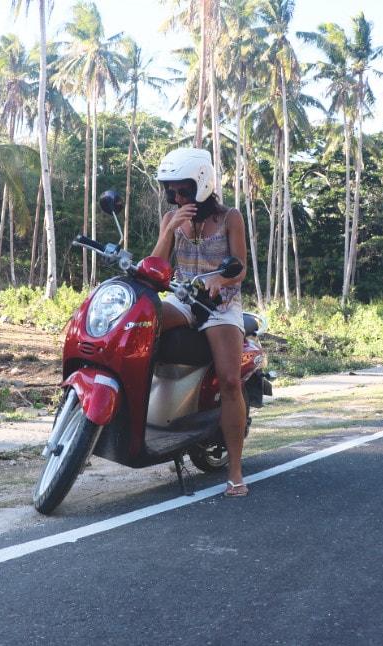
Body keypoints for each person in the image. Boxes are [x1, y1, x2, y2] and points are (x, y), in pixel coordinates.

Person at [150, 147, 250, 498]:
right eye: (171, 191)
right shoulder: (171, 218)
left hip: (220, 305)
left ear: (203, 184)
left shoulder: (229, 217)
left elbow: (239, 267)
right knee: (140, 326)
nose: (177, 197)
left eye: (184, 191)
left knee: (230, 381)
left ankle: (235, 473)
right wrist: (169, 230)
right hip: (182, 298)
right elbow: (156, 267)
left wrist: (219, 280)